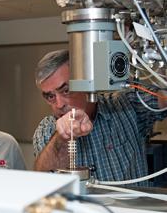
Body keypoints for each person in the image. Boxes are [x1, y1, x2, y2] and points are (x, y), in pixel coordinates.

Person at [33, 49, 167, 184]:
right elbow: (43, 182)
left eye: (66, 90)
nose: (59, 104)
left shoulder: (125, 106)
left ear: (85, 81)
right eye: (51, 96)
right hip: (80, 206)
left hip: (130, 205)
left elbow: (163, 100)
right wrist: (62, 138)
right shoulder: (47, 130)